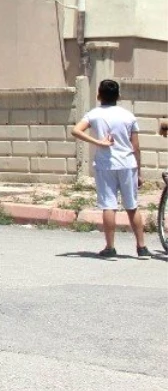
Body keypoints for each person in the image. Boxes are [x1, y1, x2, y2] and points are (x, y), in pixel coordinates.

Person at [71, 80, 151, 260]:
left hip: (106, 165)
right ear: (118, 96)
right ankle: (142, 247)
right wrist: (139, 172)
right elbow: (136, 147)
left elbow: (76, 131)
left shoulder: (94, 114)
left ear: (99, 95)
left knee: (109, 205)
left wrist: (99, 143)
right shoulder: (128, 116)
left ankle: (110, 247)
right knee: (132, 206)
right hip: (127, 164)